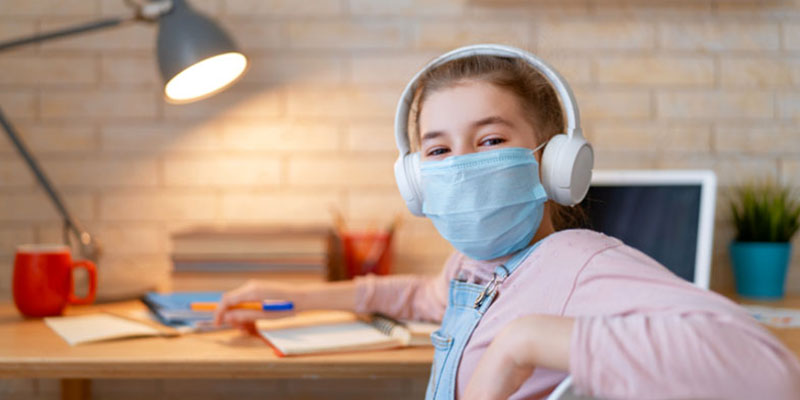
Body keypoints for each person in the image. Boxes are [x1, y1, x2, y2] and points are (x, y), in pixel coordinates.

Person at [214, 45, 800, 399]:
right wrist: (287, 295)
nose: (462, 165)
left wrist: (524, 342)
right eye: (438, 151)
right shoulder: (478, 266)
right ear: (416, 178)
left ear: (552, 163)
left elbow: (769, 372)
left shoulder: (577, 264)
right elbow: (420, 295)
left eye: (490, 139)